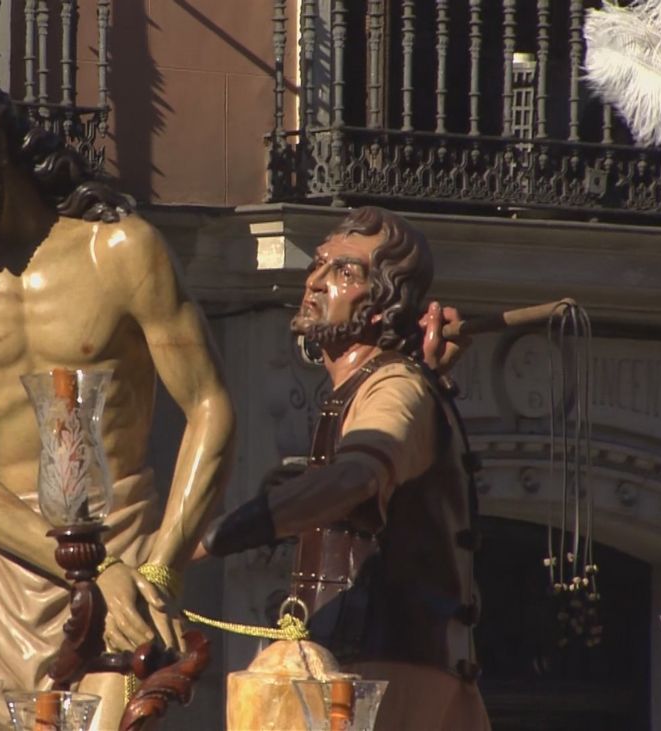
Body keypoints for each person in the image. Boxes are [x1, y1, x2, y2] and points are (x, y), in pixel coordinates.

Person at [0, 56, 234, 727]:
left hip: (121, 546)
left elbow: (211, 407)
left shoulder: (123, 252)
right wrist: (84, 565)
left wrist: (160, 566)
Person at [202, 206, 490, 731]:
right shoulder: (393, 381)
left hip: (381, 677)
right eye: (319, 264)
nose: (315, 282)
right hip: (363, 669)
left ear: (384, 307)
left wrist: (222, 533)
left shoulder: (394, 386)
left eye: (345, 273)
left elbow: (356, 478)